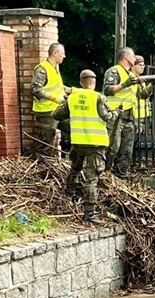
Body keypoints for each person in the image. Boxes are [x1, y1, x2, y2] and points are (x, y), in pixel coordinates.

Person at [52, 70, 118, 224]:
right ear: (94, 82)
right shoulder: (98, 97)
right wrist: (116, 113)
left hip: (78, 141)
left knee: (75, 169)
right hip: (95, 143)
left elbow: (56, 115)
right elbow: (107, 117)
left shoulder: (72, 98)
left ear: (81, 82)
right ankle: (89, 213)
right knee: (91, 178)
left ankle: (69, 196)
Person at [102, 47, 141, 178]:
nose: (135, 59)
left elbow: (140, 94)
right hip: (115, 116)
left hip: (128, 117)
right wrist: (124, 84)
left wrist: (153, 85)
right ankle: (104, 173)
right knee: (113, 147)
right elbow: (107, 90)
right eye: (133, 56)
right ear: (126, 57)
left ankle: (121, 176)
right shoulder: (114, 71)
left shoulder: (130, 75)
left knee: (126, 150)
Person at [32, 42, 73, 157]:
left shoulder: (54, 68)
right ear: (55, 53)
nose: (64, 56)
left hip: (57, 110)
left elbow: (59, 88)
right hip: (45, 112)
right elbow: (35, 90)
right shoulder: (42, 69)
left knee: (75, 128)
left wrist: (75, 91)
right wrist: (55, 98)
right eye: (62, 53)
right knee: (46, 146)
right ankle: (43, 171)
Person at [133, 55, 154, 135]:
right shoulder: (132, 79)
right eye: (140, 65)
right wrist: (152, 84)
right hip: (135, 116)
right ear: (133, 66)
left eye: (143, 65)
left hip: (144, 115)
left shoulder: (141, 79)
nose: (142, 67)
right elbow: (142, 95)